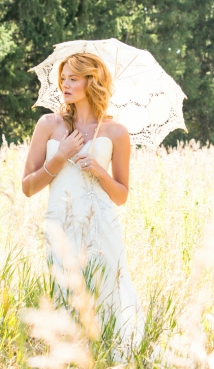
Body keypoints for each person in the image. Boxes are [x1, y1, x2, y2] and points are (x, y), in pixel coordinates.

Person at [21, 53, 142, 351]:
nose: (65, 84)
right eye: (63, 78)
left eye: (73, 78)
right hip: (61, 225)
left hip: (101, 228)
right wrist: (60, 156)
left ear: (93, 82)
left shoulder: (116, 132)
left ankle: (105, 354)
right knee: (62, 295)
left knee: (103, 297)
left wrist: (100, 171)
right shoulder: (49, 124)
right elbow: (27, 187)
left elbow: (121, 195)